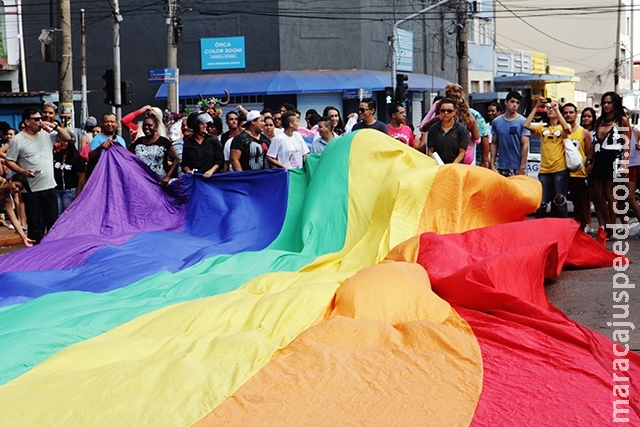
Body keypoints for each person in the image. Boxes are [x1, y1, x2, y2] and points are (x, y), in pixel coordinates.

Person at [5, 107, 71, 243]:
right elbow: (9, 160)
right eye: (36, 119)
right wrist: (23, 171)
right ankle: (35, 253)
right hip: (31, 190)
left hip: (49, 185)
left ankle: (54, 250)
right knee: (35, 224)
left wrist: (55, 126)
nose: (40, 121)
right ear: (27, 122)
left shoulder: (46, 134)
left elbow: (67, 138)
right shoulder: (18, 140)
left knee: (53, 223)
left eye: (41, 118)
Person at [591, 92, 630, 239]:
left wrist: (625, 163)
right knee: (597, 193)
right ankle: (607, 224)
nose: (606, 105)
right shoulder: (599, 121)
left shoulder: (622, 120)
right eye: (604, 103)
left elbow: (627, 143)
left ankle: (612, 228)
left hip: (614, 157)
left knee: (609, 192)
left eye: (609, 102)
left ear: (615, 104)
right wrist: (591, 161)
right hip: (600, 157)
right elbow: (594, 144)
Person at [524, 98, 572, 218]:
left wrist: (557, 109)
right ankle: (539, 227)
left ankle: (564, 228)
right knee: (542, 201)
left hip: (560, 169)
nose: (550, 110)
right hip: (545, 170)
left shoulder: (563, 127)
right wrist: (536, 107)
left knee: (560, 199)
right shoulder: (543, 128)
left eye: (553, 109)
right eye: (549, 109)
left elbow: (567, 129)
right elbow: (526, 125)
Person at [561, 103, 593, 231]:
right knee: (558, 201)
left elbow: (588, 152)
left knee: (579, 203)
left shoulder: (584, 132)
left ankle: (581, 229)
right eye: (565, 113)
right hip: (561, 171)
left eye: (571, 112)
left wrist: (589, 164)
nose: (568, 115)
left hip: (578, 173)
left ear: (576, 114)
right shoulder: (560, 130)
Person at [129, 115, 180, 186]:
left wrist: (168, 176)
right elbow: (128, 157)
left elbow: (176, 159)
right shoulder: (138, 142)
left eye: (150, 125)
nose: (146, 128)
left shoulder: (164, 142)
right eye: (144, 125)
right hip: (141, 181)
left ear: (156, 127)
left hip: (159, 181)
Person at [490, 91, 530, 176]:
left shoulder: (523, 121)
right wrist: (492, 164)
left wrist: (522, 167)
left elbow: (525, 144)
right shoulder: (496, 122)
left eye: (517, 103)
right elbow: (494, 143)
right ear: (505, 102)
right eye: (512, 101)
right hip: (501, 166)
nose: (514, 105)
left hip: (517, 167)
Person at [181, 111, 224, 178]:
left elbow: (220, 161)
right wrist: (188, 171)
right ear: (195, 126)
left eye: (205, 123)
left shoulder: (213, 140)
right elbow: (184, 164)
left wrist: (211, 171)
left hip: (213, 178)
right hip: (196, 179)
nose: (205, 125)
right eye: (201, 124)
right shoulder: (188, 143)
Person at [426, 98, 468, 164]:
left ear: (454, 112)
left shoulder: (461, 129)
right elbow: (430, 151)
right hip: (438, 167)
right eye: (443, 110)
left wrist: (452, 165)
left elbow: (462, 152)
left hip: (456, 168)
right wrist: (439, 164)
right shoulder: (433, 129)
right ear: (439, 112)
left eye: (449, 111)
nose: (446, 113)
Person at [53, 135, 86, 215]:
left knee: (68, 215)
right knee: (57, 216)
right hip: (57, 190)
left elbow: (82, 178)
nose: (62, 143)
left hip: (70, 191)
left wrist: (78, 194)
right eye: (60, 141)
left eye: (65, 141)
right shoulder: (56, 156)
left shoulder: (77, 158)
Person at [87, 113, 127, 178]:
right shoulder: (97, 138)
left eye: (112, 122)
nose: (109, 124)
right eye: (106, 122)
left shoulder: (121, 140)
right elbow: (91, 157)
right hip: (102, 176)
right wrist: (100, 147)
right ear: (102, 123)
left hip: (117, 176)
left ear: (116, 123)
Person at [0, 175, 34, 247]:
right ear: (10, 180)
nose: (17, 189)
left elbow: (14, 219)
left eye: (20, 188)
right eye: (16, 185)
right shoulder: (0, 181)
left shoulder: (6, 198)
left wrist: (24, 238)